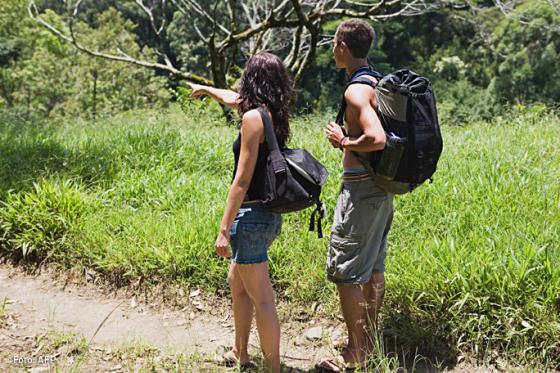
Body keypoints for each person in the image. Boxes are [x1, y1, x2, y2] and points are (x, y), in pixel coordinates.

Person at [188, 52, 293, 373]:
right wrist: (207, 90)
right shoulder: (271, 113)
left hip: (249, 218)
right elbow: (233, 98)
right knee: (238, 284)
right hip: (268, 216)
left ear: (252, 78)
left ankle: (272, 368)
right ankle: (240, 354)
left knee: (262, 298)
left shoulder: (252, 119)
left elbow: (242, 179)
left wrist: (223, 228)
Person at [317, 19, 394, 372]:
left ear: (344, 48)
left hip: (361, 189)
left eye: (334, 44)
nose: (333, 49)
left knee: (346, 271)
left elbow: (376, 138)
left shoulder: (355, 91)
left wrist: (344, 141)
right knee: (373, 268)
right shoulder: (377, 81)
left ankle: (356, 352)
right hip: (380, 188)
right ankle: (368, 341)